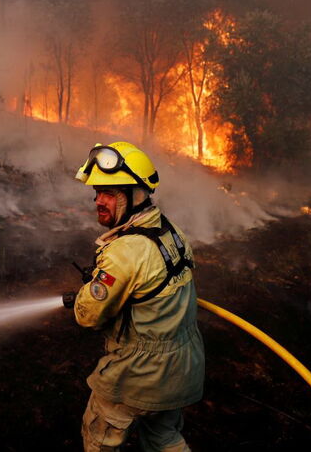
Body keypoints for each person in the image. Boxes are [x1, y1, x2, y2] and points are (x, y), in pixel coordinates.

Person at [62, 142, 205, 452]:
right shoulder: (172, 232)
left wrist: (89, 292)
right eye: (97, 192)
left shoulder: (125, 253)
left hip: (138, 375)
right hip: (181, 369)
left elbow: (88, 316)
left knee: (99, 439)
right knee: (164, 438)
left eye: (110, 193)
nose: (99, 201)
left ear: (136, 195)